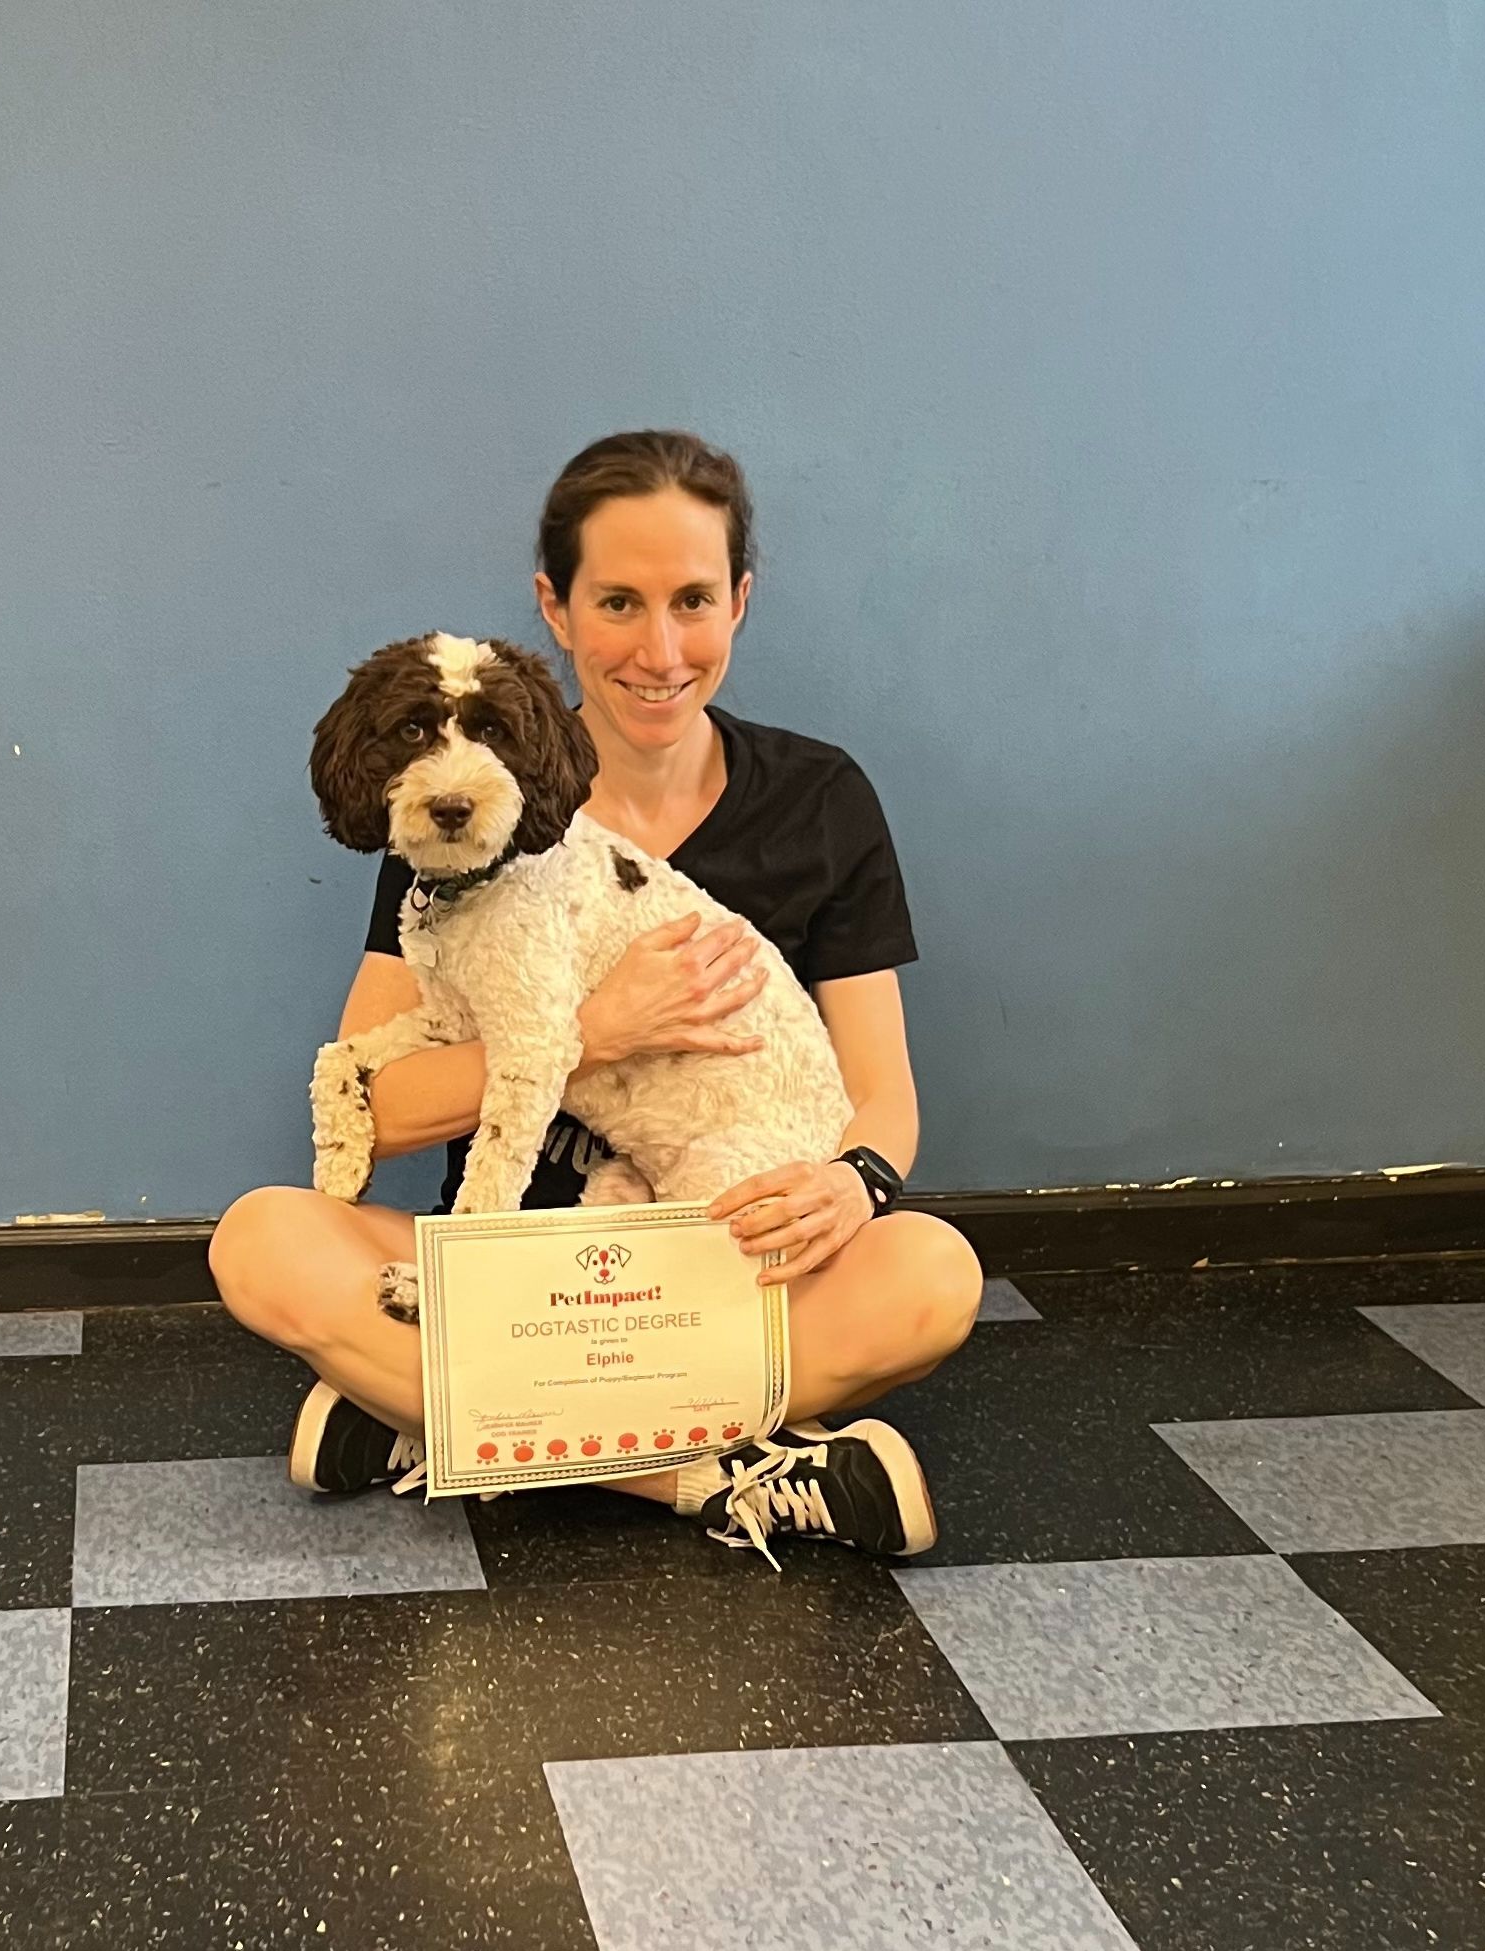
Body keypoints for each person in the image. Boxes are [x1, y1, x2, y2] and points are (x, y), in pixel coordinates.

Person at [210, 429, 983, 1561]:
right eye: (617, 602)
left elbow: (883, 1098)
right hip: (506, 1266)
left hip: (716, 1266)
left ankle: (436, 1421)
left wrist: (852, 1185)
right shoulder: (459, 807)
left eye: (693, 601)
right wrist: (595, 1033)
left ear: (739, 604)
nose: (660, 648)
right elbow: (379, 1116)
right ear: (555, 608)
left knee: (932, 1276)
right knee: (262, 1240)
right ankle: (712, 1479)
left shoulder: (822, 798)